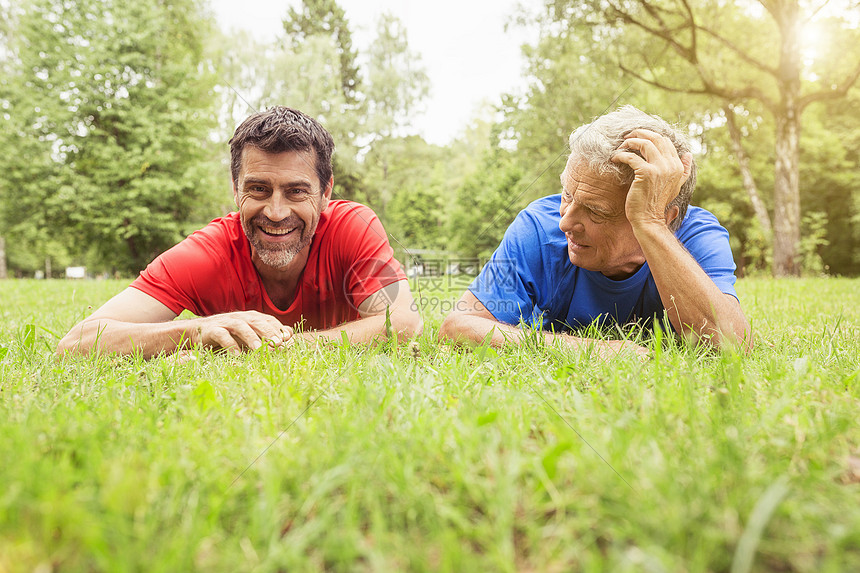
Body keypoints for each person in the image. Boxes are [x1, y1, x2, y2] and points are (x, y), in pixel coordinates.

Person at [57, 106, 421, 357]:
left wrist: (279, 348)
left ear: (325, 193)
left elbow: (403, 322)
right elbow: (76, 343)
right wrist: (195, 331)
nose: (276, 213)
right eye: (259, 189)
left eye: (296, 191)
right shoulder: (206, 254)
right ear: (235, 189)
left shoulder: (352, 228)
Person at [439, 106, 752, 356]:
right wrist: (597, 350)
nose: (565, 223)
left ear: (666, 216)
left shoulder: (697, 234)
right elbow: (458, 327)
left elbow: (731, 344)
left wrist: (651, 227)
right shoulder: (538, 226)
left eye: (596, 211)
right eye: (567, 195)